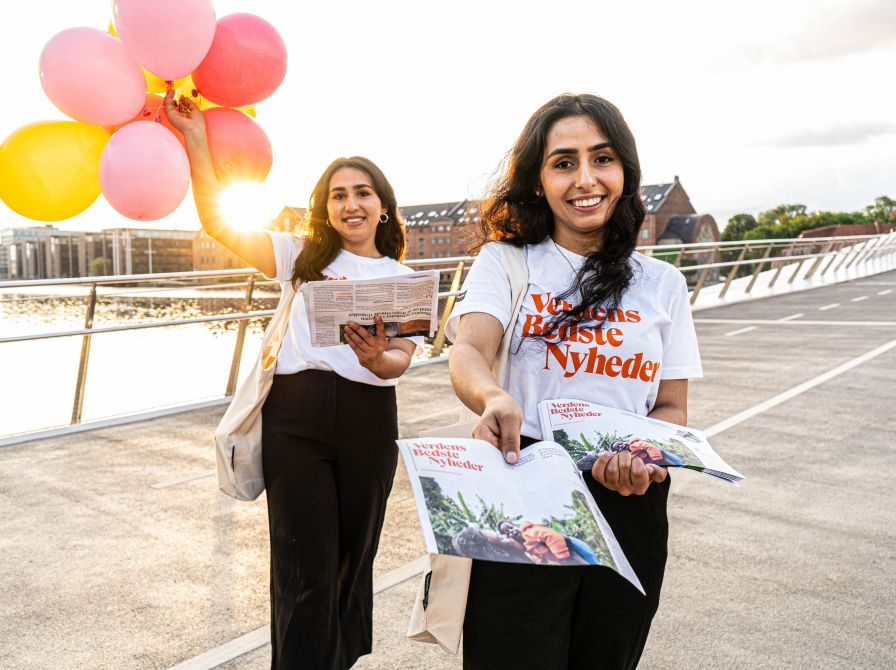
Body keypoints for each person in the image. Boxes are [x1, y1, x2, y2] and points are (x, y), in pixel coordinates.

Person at [164, 91, 420, 670]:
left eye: (362, 193)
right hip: (296, 419)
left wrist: (382, 360)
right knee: (304, 567)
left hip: (368, 421)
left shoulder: (405, 278)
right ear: (325, 208)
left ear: (383, 206)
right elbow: (216, 220)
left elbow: (402, 357)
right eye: (338, 195)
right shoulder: (298, 256)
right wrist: (197, 139)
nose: (350, 204)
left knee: (352, 565)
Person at [446, 93, 703, 669]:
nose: (585, 178)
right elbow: (469, 349)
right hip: (525, 486)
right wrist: (493, 397)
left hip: (631, 494)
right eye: (563, 162)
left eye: (602, 158)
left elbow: (671, 406)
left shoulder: (663, 284)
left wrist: (649, 455)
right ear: (538, 181)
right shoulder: (508, 261)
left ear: (625, 172)